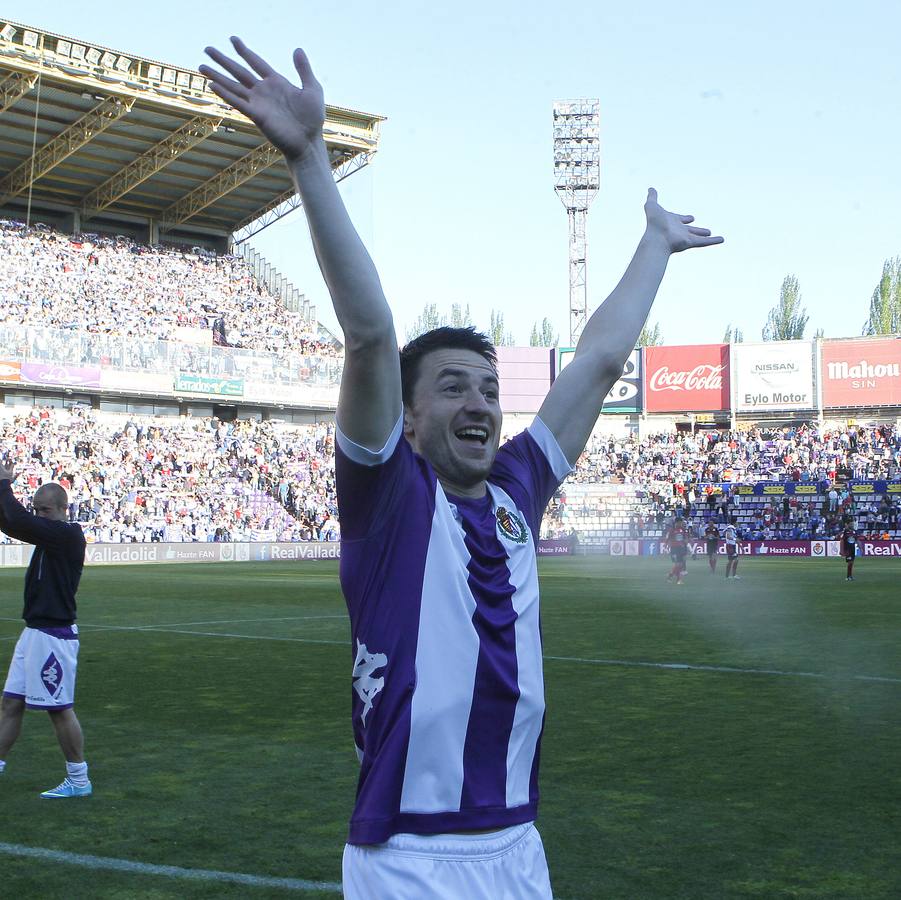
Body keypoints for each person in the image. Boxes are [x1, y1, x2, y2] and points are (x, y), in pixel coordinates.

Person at [200, 37, 721, 898]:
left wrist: (654, 247)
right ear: (406, 418)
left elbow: (593, 365)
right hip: (407, 856)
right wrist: (310, 159)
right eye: (451, 389)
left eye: (488, 388)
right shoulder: (388, 500)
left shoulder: (518, 486)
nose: (479, 403)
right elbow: (370, 335)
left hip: (518, 847)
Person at [0, 465, 90, 798]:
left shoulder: (66, 534)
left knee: (58, 708)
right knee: (10, 704)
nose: (39, 515)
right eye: (36, 509)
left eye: (45, 510)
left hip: (54, 634)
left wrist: (4, 484)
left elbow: (18, 522)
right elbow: (11, 522)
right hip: (34, 632)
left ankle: (79, 780)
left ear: (63, 509)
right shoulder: (49, 534)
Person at [665, 517, 689, 584]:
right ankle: (677, 579)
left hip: (682, 548)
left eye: (681, 523)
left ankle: (674, 578)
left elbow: (685, 538)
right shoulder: (672, 530)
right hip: (674, 548)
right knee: (678, 564)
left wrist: (686, 541)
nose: (681, 524)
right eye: (680, 522)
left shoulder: (683, 529)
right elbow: (668, 539)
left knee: (680, 565)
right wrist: (665, 546)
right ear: (676, 523)